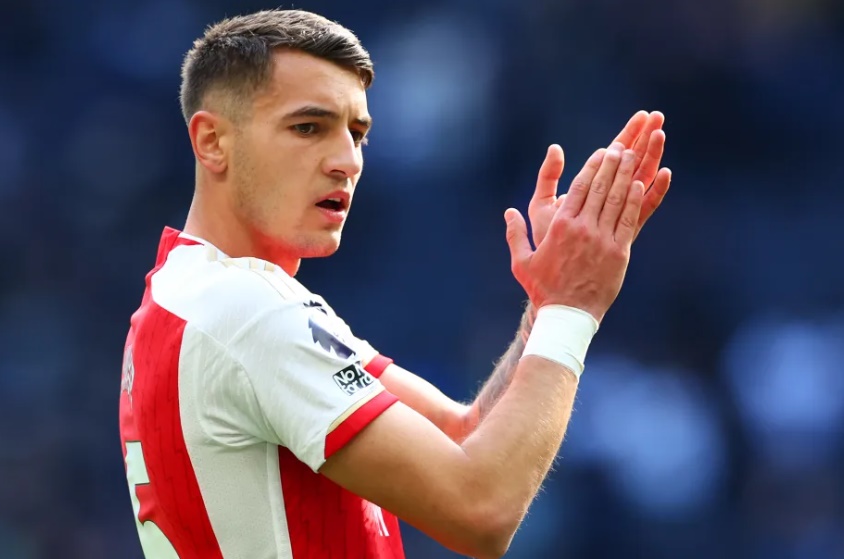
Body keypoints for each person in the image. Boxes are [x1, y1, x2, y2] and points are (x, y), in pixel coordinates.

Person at [118, 8, 672, 559]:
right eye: (307, 127)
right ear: (213, 141)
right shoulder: (246, 312)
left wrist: (542, 309)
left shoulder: (187, 294)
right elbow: (481, 509)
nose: (347, 161)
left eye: (357, 134)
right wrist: (573, 308)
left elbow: (461, 434)